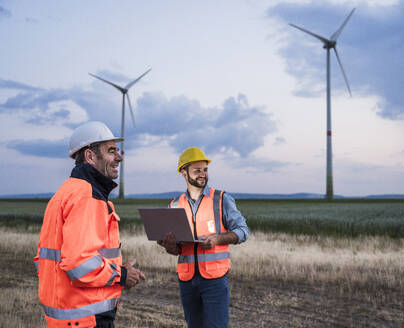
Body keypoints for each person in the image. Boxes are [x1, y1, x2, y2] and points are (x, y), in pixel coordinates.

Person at [34, 121, 145, 328]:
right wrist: (121, 275)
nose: (119, 157)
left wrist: (117, 270)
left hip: (67, 315)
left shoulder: (65, 192)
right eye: (111, 151)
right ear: (90, 156)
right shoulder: (87, 196)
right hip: (86, 317)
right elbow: (79, 263)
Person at [157, 147, 249, 328]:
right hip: (187, 280)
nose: (203, 174)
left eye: (205, 170)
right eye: (197, 170)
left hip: (214, 279)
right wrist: (168, 245)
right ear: (184, 173)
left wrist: (217, 239)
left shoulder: (221, 199)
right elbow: (177, 250)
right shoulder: (175, 204)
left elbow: (243, 231)